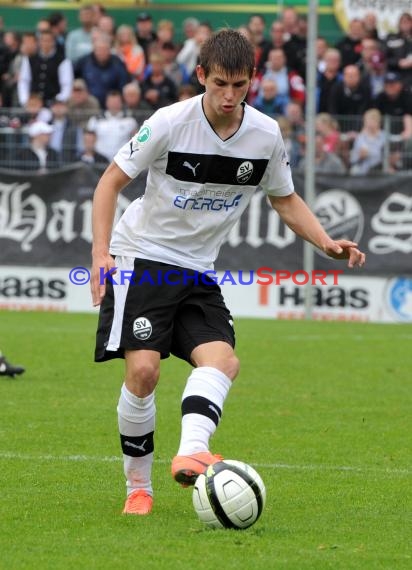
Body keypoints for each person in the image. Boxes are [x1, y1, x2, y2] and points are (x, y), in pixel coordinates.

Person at [90, 29, 365, 517]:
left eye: (240, 85)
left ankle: (192, 449)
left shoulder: (264, 134)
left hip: (197, 268)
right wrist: (99, 254)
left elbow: (284, 198)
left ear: (252, 80)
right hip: (143, 257)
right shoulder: (170, 122)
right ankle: (139, 487)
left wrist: (325, 242)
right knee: (143, 373)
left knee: (222, 361)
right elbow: (110, 182)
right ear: (201, 76)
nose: (229, 96)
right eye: (220, 84)